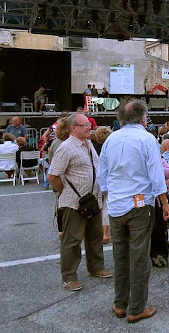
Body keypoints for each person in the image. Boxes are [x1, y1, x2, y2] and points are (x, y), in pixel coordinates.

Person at [97, 100, 169, 323]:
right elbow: (156, 174)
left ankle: (120, 303)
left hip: (117, 205)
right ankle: (136, 308)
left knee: (120, 255)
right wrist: (164, 202)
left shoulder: (111, 138)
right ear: (143, 117)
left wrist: (112, 193)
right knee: (139, 257)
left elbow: (103, 174)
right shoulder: (147, 138)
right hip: (139, 205)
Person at [48, 113, 113, 292]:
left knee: (95, 235)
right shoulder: (66, 148)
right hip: (74, 202)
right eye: (84, 125)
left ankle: (96, 267)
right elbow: (53, 175)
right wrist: (64, 191)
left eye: (88, 124)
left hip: (93, 200)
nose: (88, 127)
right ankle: (69, 276)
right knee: (72, 239)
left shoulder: (88, 144)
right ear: (73, 128)